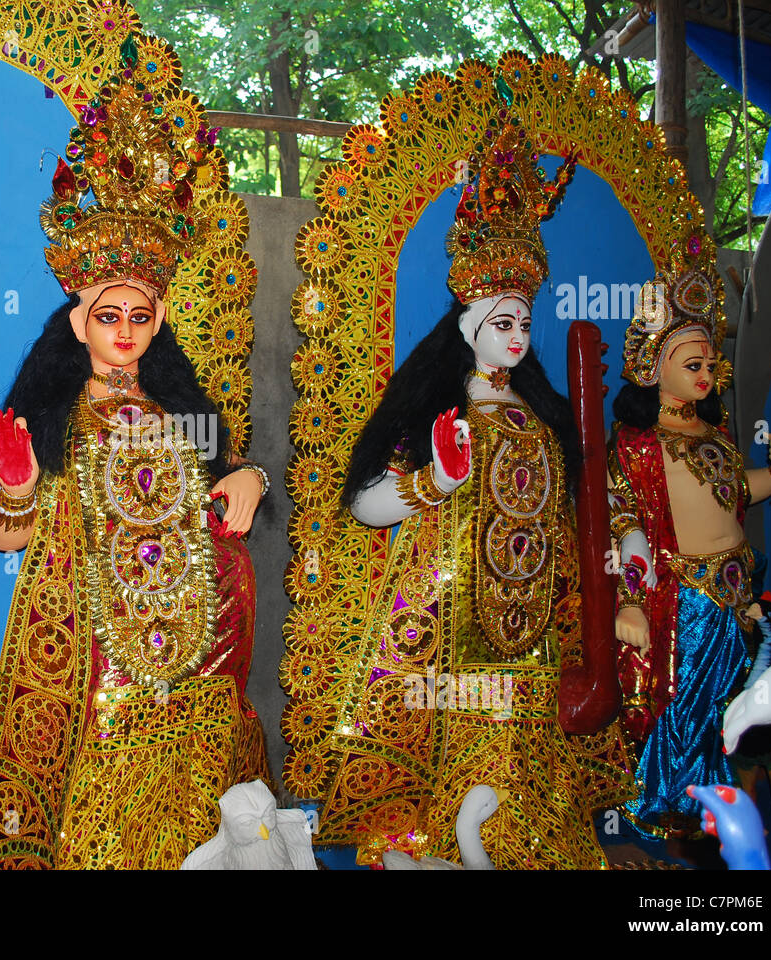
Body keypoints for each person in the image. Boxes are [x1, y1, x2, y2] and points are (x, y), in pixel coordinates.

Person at [0, 65, 270, 869]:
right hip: (97, 649)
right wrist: (22, 492)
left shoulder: (180, 411)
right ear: (79, 321)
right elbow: (3, 539)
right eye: (108, 315)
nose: (125, 330)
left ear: (159, 318)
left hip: (197, 644)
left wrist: (251, 477)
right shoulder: (56, 417)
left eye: (139, 315)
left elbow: (224, 481)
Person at [322, 111, 631, 868]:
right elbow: (365, 502)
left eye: (525, 317)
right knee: (455, 737)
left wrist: (621, 551)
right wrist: (434, 482)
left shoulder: (544, 412)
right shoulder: (437, 407)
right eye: (503, 317)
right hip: (451, 611)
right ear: (467, 324)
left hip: (532, 618)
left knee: (527, 760)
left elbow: (583, 499)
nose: (518, 331)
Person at [609, 266, 771, 838]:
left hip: (740, 590)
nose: (707, 373)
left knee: (741, 709)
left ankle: (735, 808)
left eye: (710, 363)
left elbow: (736, 493)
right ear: (654, 367)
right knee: (687, 710)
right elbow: (626, 523)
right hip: (687, 599)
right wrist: (633, 600)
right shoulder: (639, 446)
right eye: (693, 363)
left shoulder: (713, 437)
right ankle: (681, 808)